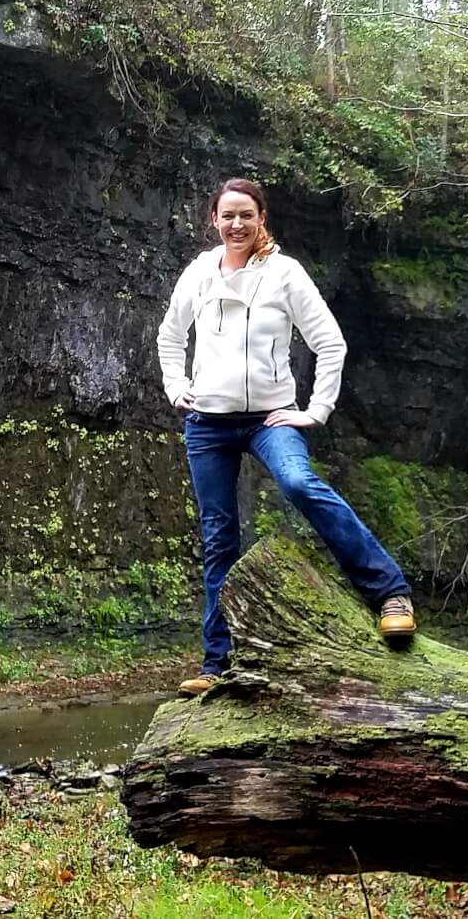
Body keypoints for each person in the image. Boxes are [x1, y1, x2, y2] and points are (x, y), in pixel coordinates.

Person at [155, 177, 415, 696]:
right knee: (217, 537)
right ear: (213, 220)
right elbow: (169, 336)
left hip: (270, 418)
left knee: (299, 483)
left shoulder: (283, 273)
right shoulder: (200, 273)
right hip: (207, 422)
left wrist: (314, 411)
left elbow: (330, 343)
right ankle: (216, 665)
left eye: (245, 215)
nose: (236, 225)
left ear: (261, 219)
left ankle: (391, 593)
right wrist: (176, 387)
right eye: (227, 215)